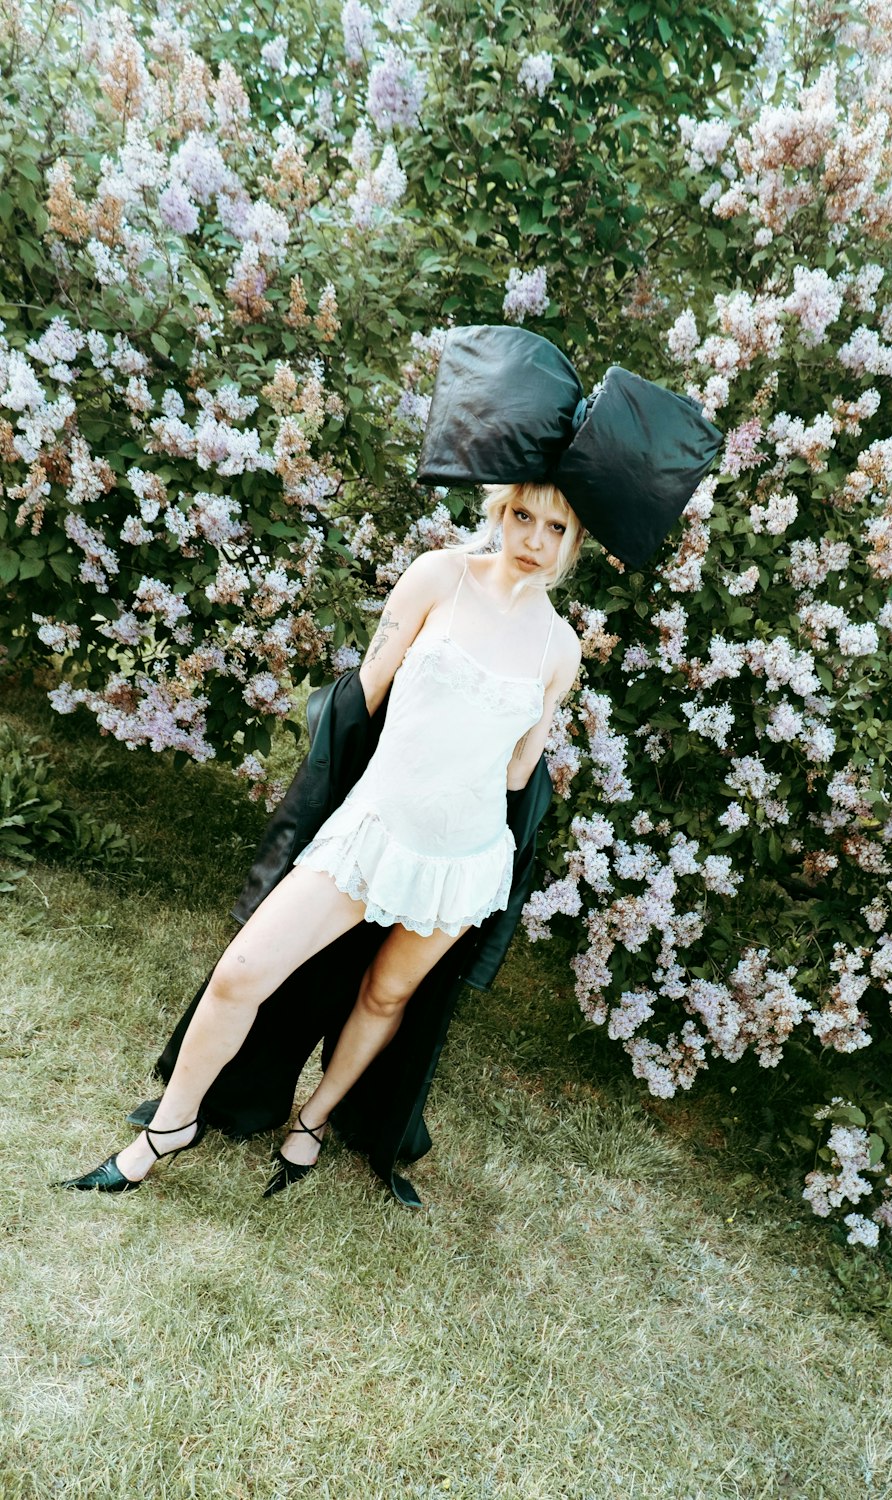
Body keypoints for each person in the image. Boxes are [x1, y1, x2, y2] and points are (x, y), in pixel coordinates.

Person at [60, 480, 585, 1197]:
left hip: (461, 862)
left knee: (385, 999)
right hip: (370, 831)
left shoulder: (561, 647)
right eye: (523, 516)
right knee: (241, 973)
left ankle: (313, 1121)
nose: (533, 540)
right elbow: (363, 696)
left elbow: (522, 772)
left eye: (555, 527)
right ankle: (169, 1128)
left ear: (575, 541)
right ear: (499, 512)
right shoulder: (440, 576)